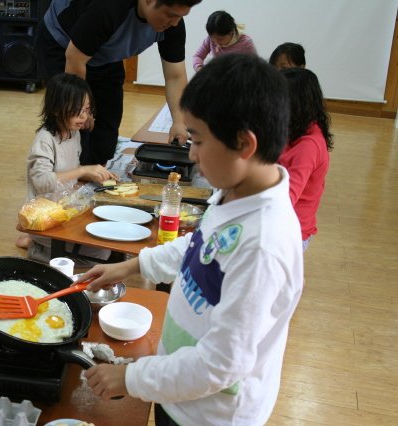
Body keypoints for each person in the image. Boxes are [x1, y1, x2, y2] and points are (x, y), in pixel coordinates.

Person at [78, 54, 304, 426]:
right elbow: (199, 249)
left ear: (244, 144)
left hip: (210, 414)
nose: (192, 154)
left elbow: (220, 364)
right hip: (177, 384)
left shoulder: (263, 246)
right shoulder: (234, 193)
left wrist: (132, 378)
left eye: (197, 140)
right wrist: (131, 266)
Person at [36, 0, 203, 166]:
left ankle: (91, 170)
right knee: (73, 122)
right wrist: (81, 108)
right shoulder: (108, 8)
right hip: (63, 45)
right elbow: (75, 59)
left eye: (180, 17)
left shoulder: (173, 25)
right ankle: (57, 167)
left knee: (104, 140)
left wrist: (179, 121)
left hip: (105, 53)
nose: (174, 23)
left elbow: (175, 76)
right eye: (170, 15)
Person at [20, 72, 116, 263]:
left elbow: (70, 168)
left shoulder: (73, 133)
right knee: (101, 253)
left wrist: (92, 174)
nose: (83, 116)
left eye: (87, 109)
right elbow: (42, 182)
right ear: (57, 110)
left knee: (109, 238)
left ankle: (39, 244)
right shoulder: (45, 141)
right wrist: (83, 171)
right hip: (44, 218)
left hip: (63, 208)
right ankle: (37, 248)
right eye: (76, 110)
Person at [279, 67, 333, 250]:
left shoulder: (308, 146)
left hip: (290, 233)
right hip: (282, 225)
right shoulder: (294, 129)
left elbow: (286, 198)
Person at [192, 10, 257, 72]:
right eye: (213, 39)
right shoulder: (210, 39)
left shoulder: (246, 43)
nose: (216, 43)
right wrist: (200, 69)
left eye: (220, 39)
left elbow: (255, 67)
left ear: (231, 32)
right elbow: (198, 56)